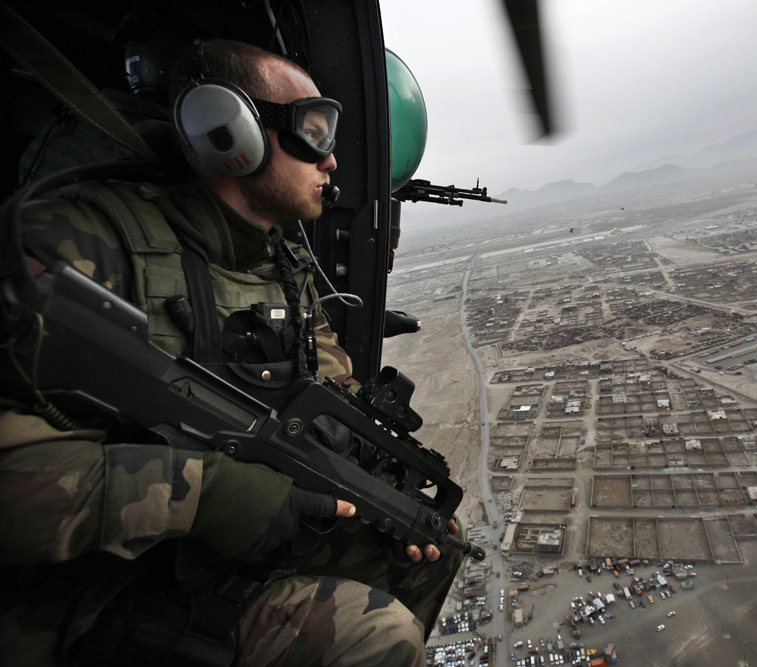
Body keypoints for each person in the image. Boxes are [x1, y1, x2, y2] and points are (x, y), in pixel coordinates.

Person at [0, 39, 461, 666]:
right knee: (378, 636)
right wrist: (206, 494)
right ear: (228, 128)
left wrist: (374, 468)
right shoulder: (78, 242)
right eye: (313, 130)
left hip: (213, 551)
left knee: (434, 550)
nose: (331, 161)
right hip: (93, 584)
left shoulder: (283, 261)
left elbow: (326, 380)